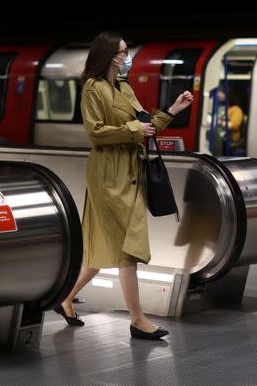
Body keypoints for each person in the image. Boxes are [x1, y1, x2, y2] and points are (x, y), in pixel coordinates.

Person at [54, 31, 193, 341]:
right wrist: (134, 129)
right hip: (108, 176)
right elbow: (97, 132)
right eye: (123, 51)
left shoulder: (125, 87)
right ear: (109, 56)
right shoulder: (93, 89)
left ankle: (63, 299)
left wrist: (173, 110)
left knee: (109, 249)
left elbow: (145, 124)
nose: (126, 56)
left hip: (129, 172)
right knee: (127, 249)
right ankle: (138, 320)